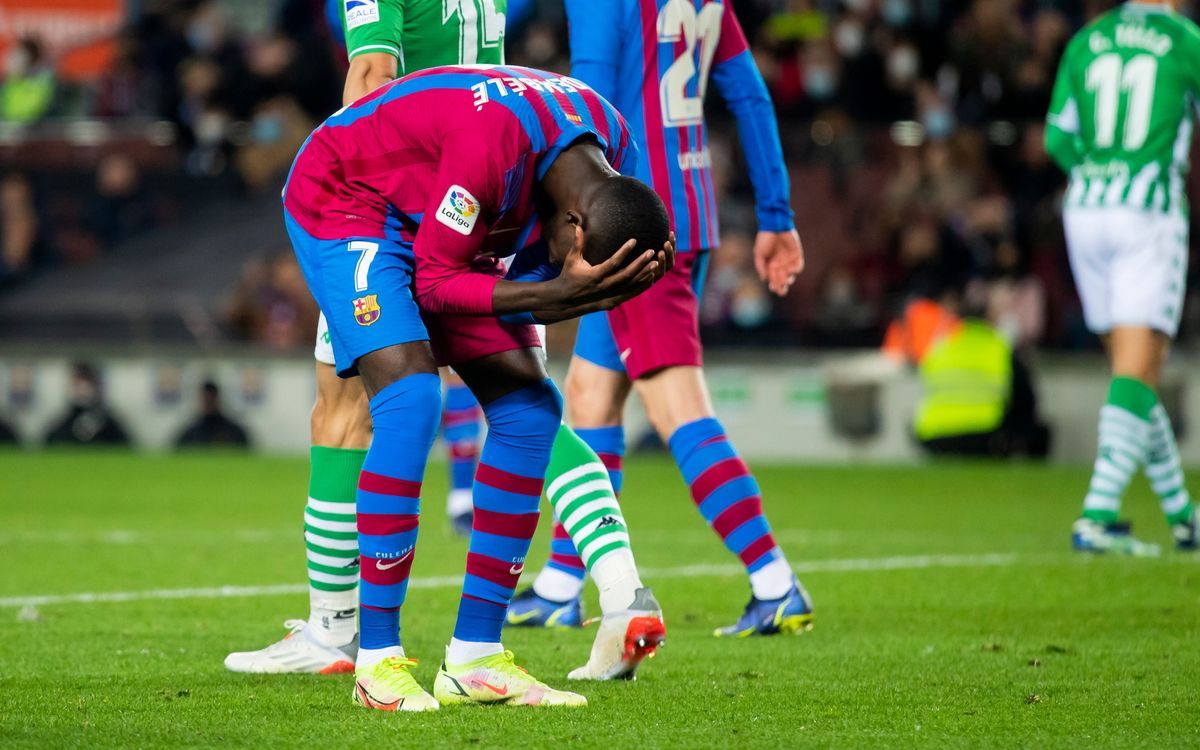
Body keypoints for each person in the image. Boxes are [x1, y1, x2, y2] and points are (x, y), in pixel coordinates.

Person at [226, 0, 665, 683]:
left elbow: (372, 69)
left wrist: (549, 286)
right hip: (443, 195)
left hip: (447, 192)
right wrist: (543, 289)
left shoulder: (586, 156)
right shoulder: (598, 133)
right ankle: (619, 591)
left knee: (366, 413)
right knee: (470, 398)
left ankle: (353, 635)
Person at [509, 0, 812, 638]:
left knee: (677, 406)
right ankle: (563, 584)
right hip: (686, 207)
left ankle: (774, 581)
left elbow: (586, 105)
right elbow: (750, 97)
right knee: (590, 398)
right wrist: (775, 213)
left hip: (632, 221)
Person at [1045, 0, 1198, 555]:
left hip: (1086, 207)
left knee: (1132, 373)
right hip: (1146, 212)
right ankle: (1098, 516)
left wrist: (1100, 171)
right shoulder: (1184, 40)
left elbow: (1056, 139)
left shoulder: (1087, 40)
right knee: (1139, 366)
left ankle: (1184, 516)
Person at [43, 363, 130, 447]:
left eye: (88, 384)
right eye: (78, 384)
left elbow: (125, 444)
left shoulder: (108, 423)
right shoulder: (63, 423)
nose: (83, 389)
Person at [175, 381, 250, 448]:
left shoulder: (234, 432)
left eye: (210, 399)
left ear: (217, 399)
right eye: (205, 399)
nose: (208, 403)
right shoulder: (190, 434)